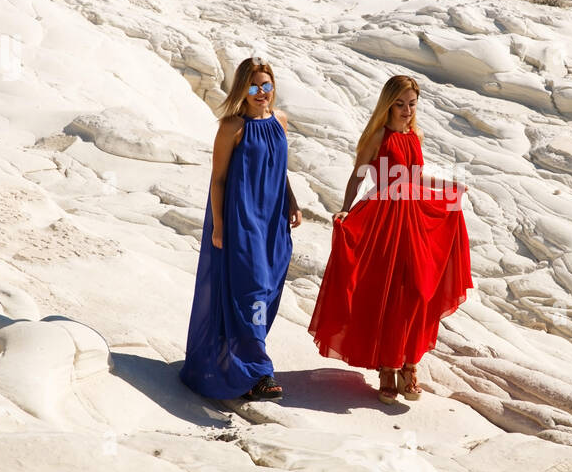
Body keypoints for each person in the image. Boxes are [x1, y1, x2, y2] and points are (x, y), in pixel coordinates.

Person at [308, 75, 472, 403]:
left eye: (412, 104)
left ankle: (410, 364)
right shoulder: (376, 137)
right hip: (382, 220)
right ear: (388, 103)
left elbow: (414, 177)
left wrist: (446, 187)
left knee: (416, 290)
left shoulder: (416, 135)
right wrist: (344, 209)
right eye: (400, 103)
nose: (407, 110)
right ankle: (386, 366)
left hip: (413, 220)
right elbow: (358, 176)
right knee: (386, 291)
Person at [180, 55, 301, 400]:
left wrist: (291, 200)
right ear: (242, 90)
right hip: (242, 220)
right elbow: (218, 180)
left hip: (273, 221)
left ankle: (242, 359)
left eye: (266, 85)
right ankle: (260, 371)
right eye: (253, 86)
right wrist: (219, 226)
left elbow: (278, 168)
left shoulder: (280, 121)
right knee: (252, 292)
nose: (261, 92)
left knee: (266, 292)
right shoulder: (232, 127)